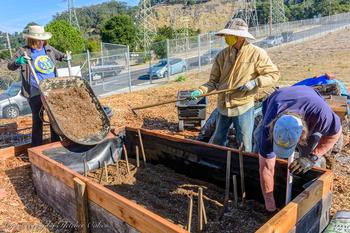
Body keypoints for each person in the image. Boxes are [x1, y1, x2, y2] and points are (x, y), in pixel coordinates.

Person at [191, 18, 280, 152]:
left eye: (229, 35)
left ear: (240, 36)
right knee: (218, 140)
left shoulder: (257, 54)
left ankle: (242, 169)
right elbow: (213, 82)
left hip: (243, 105)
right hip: (223, 106)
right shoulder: (222, 56)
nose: (226, 38)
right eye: (226, 35)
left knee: (244, 144)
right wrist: (200, 91)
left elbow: (273, 74)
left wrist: (255, 82)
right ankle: (217, 166)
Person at [254, 85, 342, 212]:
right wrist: (270, 207)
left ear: (303, 134)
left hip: (310, 101)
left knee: (310, 151)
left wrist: (312, 157)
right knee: (258, 141)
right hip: (277, 99)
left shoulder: (321, 115)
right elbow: (266, 168)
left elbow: (335, 134)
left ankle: (306, 188)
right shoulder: (268, 127)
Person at [8, 25, 67, 147]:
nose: (41, 42)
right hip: (35, 90)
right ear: (31, 40)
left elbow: (61, 55)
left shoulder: (48, 49)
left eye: (42, 40)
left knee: (53, 119)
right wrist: (18, 61)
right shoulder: (23, 51)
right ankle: (36, 147)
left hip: (51, 89)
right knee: (38, 119)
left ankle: (55, 144)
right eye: (38, 40)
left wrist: (66, 56)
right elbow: (10, 65)